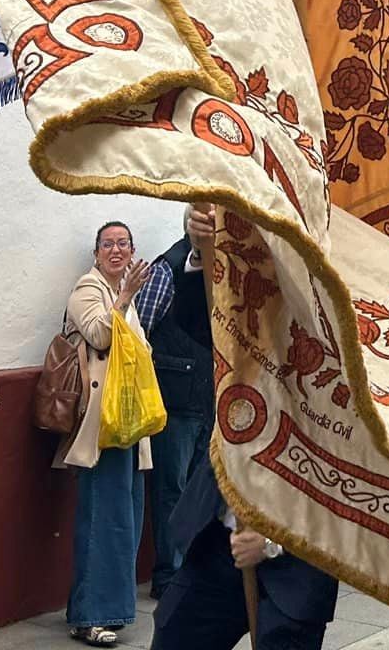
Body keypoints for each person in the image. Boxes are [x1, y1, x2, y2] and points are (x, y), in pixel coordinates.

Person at [64, 221, 154, 647]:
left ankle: (113, 611)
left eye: (123, 244)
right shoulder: (88, 288)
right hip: (102, 426)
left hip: (128, 425)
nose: (116, 251)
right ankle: (88, 615)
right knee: (102, 517)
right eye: (107, 244)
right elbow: (99, 333)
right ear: (96, 253)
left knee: (124, 520)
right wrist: (124, 296)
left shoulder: (125, 297)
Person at [153, 457, 339, 648]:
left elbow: (355, 493)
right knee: (174, 636)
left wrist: (274, 541)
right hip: (219, 544)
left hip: (299, 566)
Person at [134, 204, 219, 603]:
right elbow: (141, 331)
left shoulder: (225, 267)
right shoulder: (167, 267)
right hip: (175, 398)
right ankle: (170, 575)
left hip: (208, 398)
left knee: (201, 488)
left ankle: (193, 572)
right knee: (173, 489)